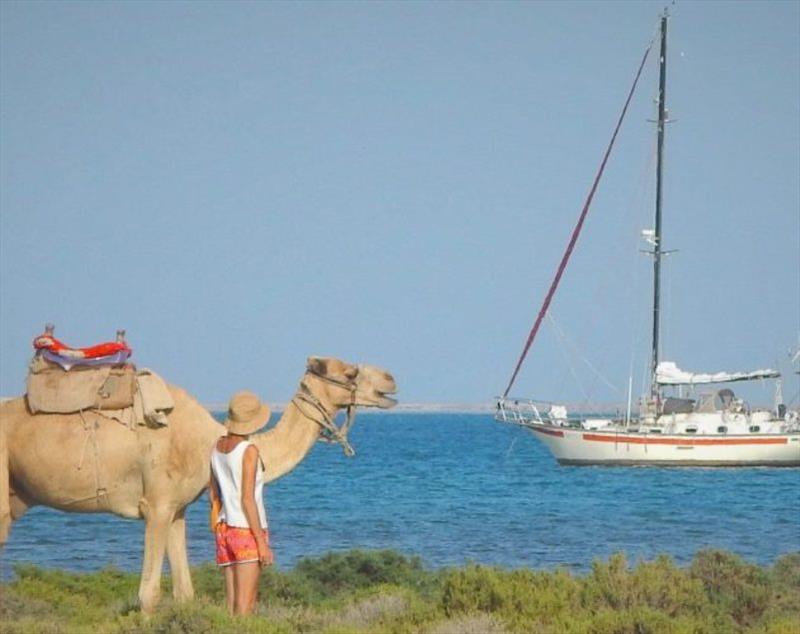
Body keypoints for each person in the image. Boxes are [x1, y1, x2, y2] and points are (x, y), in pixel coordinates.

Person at [209, 390, 274, 615]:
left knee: (232, 606)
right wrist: (261, 543)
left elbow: (213, 494)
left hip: (224, 528)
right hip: (246, 530)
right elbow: (247, 499)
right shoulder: (249, 450)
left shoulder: (216, 447)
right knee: (246, 606)